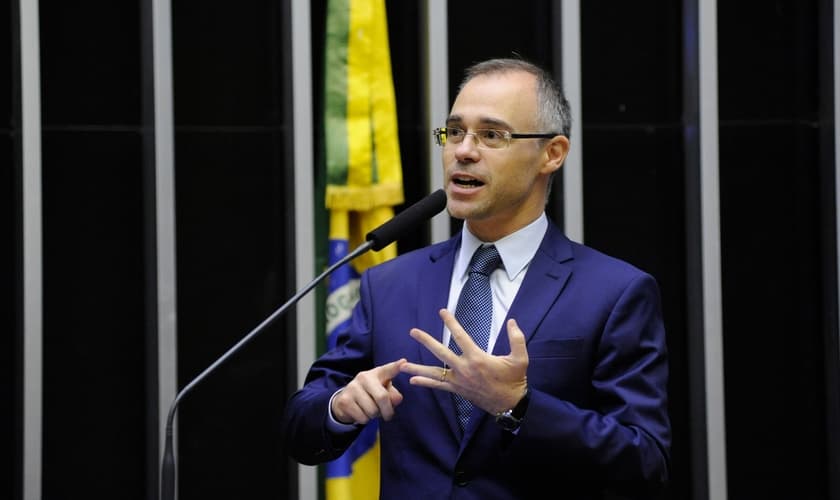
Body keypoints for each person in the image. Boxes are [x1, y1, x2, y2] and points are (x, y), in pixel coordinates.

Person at [283, 58, 670, 499]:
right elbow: (301, 427)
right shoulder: (389, 284)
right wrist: (339, 408)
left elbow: (646, 463)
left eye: (492, 135)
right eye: (454, 131)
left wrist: (519, 405)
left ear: (552, 153)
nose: (463, 150)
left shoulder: (614, 292)